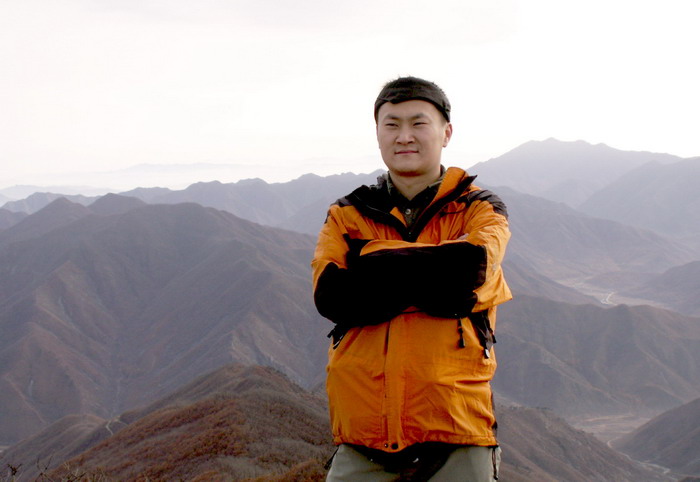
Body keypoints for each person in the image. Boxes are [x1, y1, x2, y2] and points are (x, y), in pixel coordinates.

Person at [311, 76, 512, 481]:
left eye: (418, 123)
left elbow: (467, 270)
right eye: (392, 124)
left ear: (446, 133)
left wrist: (371, 259)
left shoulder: (479, 208)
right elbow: (333, 297)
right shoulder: (346, 213)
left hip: (457, 434)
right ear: (378, 134)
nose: (404, 136)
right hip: (364, 438)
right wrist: (433, 273)